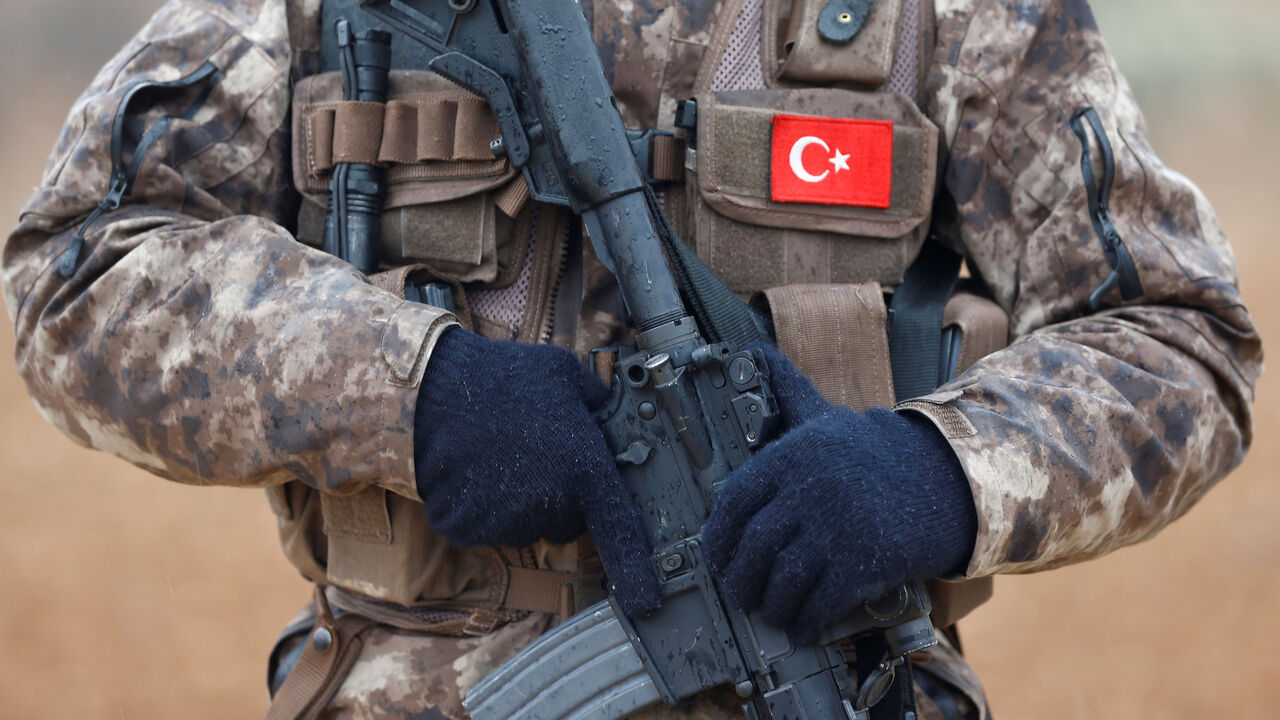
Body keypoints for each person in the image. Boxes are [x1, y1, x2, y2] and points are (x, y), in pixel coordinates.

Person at [1, 0, 1260, 718]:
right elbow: (76, 271)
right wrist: (411, 391)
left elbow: (1176, 334)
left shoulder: (957, 15)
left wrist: (938, 473)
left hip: (829, 688)